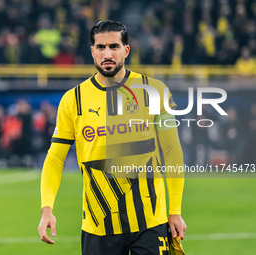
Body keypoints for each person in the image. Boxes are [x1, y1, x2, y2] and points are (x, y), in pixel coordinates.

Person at [38, 20, 187, 255]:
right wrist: (47, 208)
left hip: (150, 222)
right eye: (101, 47)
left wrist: (175, 210)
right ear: (92, 51)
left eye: (114, 46)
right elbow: (55, 158)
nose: (107, 53)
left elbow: (172, 152)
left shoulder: (155, 91)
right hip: (99, 223)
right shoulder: (72, 100)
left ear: (126, 50)